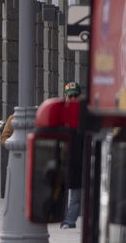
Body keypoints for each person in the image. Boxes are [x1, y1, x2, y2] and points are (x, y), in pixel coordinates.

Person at [60, 81, 84, 230]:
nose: (73, 99)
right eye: (70, 96)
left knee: (76, 195)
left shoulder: (84, 116)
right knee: (61, 193)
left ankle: (70, 220)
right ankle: (63, 218)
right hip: (63, 160)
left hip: (79, 161)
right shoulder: (62, 114)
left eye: (75, 96)